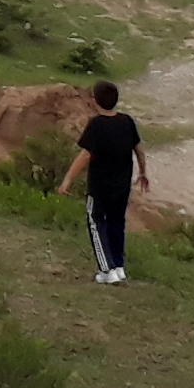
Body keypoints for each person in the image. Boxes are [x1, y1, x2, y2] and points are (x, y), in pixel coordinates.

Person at [61, 79, 148, 283]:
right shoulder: (127, 121)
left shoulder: (96, 125)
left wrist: (68, 178)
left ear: (95, 100)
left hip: (100, 187)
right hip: (122, 186)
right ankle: (119, 266)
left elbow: (85, 155)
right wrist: (143, 173)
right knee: (117, 223)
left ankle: (106, 270)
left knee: (96, 222)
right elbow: (139, 150)